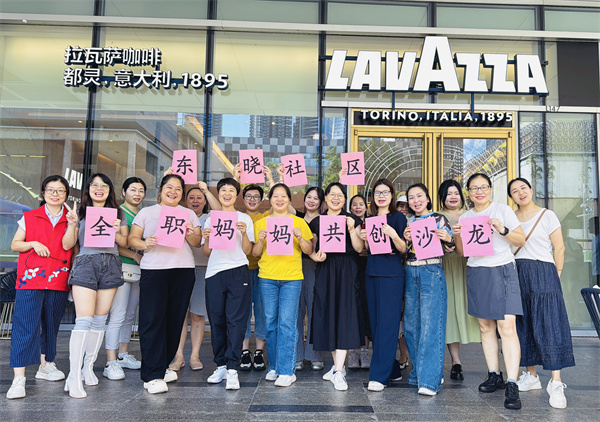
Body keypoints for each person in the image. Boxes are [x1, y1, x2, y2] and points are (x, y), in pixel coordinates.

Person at [453, 173, 526, 410]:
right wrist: (457, 236)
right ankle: (494, 374)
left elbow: (520, 240)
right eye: (474, 188)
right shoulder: (465, 217)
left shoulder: (502, 210)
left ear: (490, 189)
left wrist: (501, 228)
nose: (479, 192)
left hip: (502, 269)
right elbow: (462, 253)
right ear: (469, 192)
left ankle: (512, 382)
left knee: (507, 326)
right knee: (486, 327)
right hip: (477, 271)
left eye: (483, 187)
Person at [128, 174, 202, 394]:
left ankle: (163, 365)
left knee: (174, 321)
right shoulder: (147, 212)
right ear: (161, 190)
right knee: (152, 321)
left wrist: (190, 232)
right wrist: (145, 243)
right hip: (154, 270)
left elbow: (197, 242)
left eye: (178, 189)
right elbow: (132, 239)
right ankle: (151, 375)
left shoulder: (188, 214)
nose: (173, 192)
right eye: (169, 187)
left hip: (183, 270)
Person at [6, 175, 78, 399]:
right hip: (30, 278)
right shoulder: (30, 216)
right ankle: (19, 378)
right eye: (51, 190)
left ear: (66, 195)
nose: (55, 194)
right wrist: (33, 243)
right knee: (25, 326)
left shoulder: (70, 218)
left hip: (58, 277)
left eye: (60, 190)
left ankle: (46, 365)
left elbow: (68, 245)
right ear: (43, 193)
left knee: (51, 324)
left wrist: (73, 224)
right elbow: (15, 244)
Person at [508, 177, 575, 409]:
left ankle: (556, 382)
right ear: (511, 197)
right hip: (518, 272)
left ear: (530, 189)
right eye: (514, 191)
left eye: (523, 188)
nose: (520, 193)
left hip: (544, 271)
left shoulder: (547, 215)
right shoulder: (510, 218)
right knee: (524, 323)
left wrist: (557, 273)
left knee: (549, 324)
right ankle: (532, 375)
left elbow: (560, 247)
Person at [65, 173, 129, 398]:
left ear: (110, 190)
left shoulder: (118, 213)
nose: (99, 189)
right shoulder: (80, 212)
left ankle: (88, 367)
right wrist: (72, 224)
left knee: (101, 320)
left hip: (111, 264)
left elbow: (124, 242)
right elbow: (68, 244)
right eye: (95, 185)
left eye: (104, 186)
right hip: (86, 262)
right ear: (88, 189)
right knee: (84, 320)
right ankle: (73, 375)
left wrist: (117, 230)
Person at [252, 183, 313, 387]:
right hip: (267, 277)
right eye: (275, 196)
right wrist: (260, 241)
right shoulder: (262, 223)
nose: (279, 200)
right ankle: (275, 366)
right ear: (270, 200)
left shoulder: (299, 222)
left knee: (287, 323)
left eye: (283, 196)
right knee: (270, 322)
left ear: (289, 200)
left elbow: (308, 249)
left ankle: (287, 371)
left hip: (292, 278)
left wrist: (300, 238)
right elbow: (255, 253)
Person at [310, 182, 365, 391]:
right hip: (325, 270)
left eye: (340, 195)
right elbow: (311, 248)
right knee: (329, 316)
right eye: (332, 194)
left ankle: (339, 371)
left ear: (344, 199)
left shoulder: (353, 219)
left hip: (347, 269)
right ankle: (337, 368)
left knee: (344, 316)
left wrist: (351, 230)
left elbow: (359, 248)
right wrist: (314, 256)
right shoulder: (317, 222)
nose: (336, 198)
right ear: (325, 198)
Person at [202, 178, 254, 390]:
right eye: (223, 190)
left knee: (236, 321)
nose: (227, 193)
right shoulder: (211, 219)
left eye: (231, 190)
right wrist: (206, 238)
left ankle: (233, 368)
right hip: (215, 272)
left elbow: (248, 251)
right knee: (217, 320)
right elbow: (207, 252)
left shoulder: (244, 219)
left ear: (236, 195)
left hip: (238, 270)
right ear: (218, 194)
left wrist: (243, 233)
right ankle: (221, 365)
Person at [403, 183, 454, 396]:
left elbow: (451, 248)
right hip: (409, 271)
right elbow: (401, 250)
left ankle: (430, 380)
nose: (416, 200)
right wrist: (404, 240)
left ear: (427, 198)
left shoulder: (439, 219)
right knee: (411, 327)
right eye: (411, 197)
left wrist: (448, 238)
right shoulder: (407, 221)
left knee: (430, 326)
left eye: (419, 196)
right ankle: (419, 372)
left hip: (431, 270)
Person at [359, 179, 407, 392]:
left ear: (392, 195)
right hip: (372, 273)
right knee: (377, 325)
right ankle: (393, 369)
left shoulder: (398, 217)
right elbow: (367, 249)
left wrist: (393, 234)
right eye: (377, 192)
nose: (381, 196)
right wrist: (364, 238)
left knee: (388, 325)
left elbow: (403, 248)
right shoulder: (369, 218)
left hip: (391, 275)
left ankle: (379, 375)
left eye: (385, 192)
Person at [103, 177, 146, 381]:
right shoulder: (117, 213)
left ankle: (123, 354)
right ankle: (111, 361)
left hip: (137, 270)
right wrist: (135, 255)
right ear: (123, 192)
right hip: (121, 267)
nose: (137, 194)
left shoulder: (142, 214)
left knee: (129, 315)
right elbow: (115, 243)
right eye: (133, 190)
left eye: (141, 190)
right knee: (118, 314)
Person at [437, 180, 481, 381]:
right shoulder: (436, 217)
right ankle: (456, 361)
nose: (453, 197)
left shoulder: (472, 215)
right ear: (442, 197)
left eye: (456, 193)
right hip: (447, 265)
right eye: (448, 194)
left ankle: (492, 362)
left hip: (470, 265)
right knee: (450, 312)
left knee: (473, 309)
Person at [169, 184, 210, 372]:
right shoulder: (179, 215)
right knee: (180, 314)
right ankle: (178, 356)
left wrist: (207, 190)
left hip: (202, 269)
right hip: (179, 268)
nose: (195, 201)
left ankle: (195, 356)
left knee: (198, 315)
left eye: (199, 198)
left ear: (205, 201)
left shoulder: (210, 218)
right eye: (191, 197)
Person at [295, 186, 326, 371]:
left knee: (315, 311)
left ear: (321, 202)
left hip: (317, 268)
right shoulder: (296, 218)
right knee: (296, 312)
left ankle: (315, 356)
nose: (312, 200)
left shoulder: (325, 221)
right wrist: (277, 179)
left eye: (316, 198)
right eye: (309, 197)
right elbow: (282, 201)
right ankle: (297, 355)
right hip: (294, 267)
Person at [347, 194, 371, 370]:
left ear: (366, 207)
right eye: (354, 204)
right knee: (351, 309)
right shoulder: (346, 223)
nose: (357, 207)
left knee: (365, 310)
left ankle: (364, 351)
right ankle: (352, 352)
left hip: (368, 269)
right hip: (351, 268)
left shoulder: (372, 223)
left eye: (361, 204)